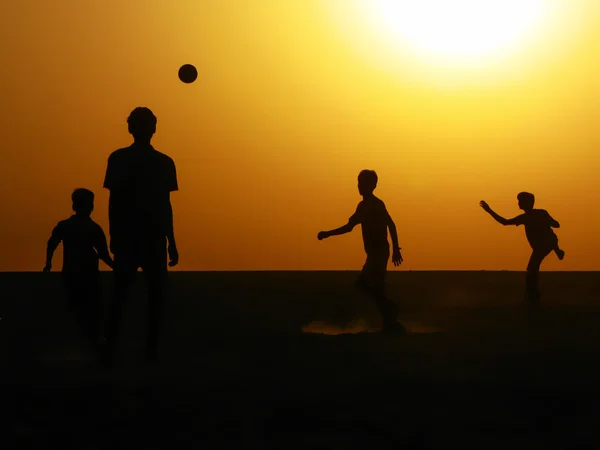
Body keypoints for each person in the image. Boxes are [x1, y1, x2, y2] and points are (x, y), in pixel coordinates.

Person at [103, 107, 179, 366]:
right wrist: (172, 241)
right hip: (152, 237)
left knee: (120, 296)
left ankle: (112, 350)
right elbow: (165, 205)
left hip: (129, 236)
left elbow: (114, 202)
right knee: (155, 297)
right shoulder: (164, 162)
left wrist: (113, 234)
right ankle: (150, 352)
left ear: (130, 128)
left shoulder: (118, 158)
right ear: (154, 128)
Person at [317, 170, 404, 334]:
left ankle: (391, 312)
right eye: (359, 183)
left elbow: (391, 225)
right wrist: (328, 233)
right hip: (373, 253)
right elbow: (349, 227)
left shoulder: (377, 204)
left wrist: (396, 250)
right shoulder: (362, 207)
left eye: (363, 183)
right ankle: (390, 320)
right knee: (376, 288)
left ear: (372, 185)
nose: (359, 186)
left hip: (379, 252)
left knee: (364, 284)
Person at [44, 188, 113, 355]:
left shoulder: (66, 226)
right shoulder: (93, 228)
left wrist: (48, 263)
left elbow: (52, 243)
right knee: (92, 311)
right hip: (88, 275)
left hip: (71, 273)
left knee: (75, 309)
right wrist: (117, 267)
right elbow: (103, 253)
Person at [480, 192, 564, 304]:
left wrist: (489, 211)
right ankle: (557, 250)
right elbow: (555, 224)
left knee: (531, 269)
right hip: (548, 242)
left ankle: (533, 297)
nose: (518, 203)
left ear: (527, 203)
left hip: (543, 245)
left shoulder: (529, 217)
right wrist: (548, 222)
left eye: (520, 201)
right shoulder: (538, 214)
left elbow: (504, 222)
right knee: (533, 267)